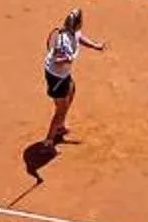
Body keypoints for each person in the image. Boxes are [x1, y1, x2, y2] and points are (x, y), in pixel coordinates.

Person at [42, 8, 104, 144]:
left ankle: (59, 127)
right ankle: (48, 141)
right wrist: (67, 59)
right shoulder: (63, 42)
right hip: (56, 76)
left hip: (63, 74)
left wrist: (95, 46)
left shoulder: (73, 31)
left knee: (72, 90)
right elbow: (57, 60)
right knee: (61, 110)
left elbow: (79, 37)